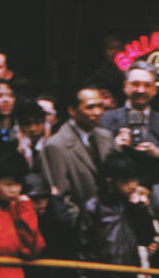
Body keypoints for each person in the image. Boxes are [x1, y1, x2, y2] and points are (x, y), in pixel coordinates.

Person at [77, 152, 156, 278]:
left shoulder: (131, 205)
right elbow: (83, 244)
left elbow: (147, 238)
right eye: (126, 181)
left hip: (129, 274)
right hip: (102, 276)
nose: (132, 185)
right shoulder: (94, 206)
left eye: (134, 180)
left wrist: (140, 209)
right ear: (110, 181)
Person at [100, 61, 159, 186]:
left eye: (147, 85)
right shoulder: (104, 119)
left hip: (155, 192)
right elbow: (91, 156)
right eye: (135, 84)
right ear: (125, 86)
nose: (141, 90)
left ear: (155, 90)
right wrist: (114, 146)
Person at [40, 86, 115, 223]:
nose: (97, 112)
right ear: (72, 111)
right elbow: (62, 196)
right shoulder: (56, 145)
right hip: (83, 225)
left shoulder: (106, 137)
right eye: (90, 107)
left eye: (100, 106)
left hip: (111, 219)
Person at [15, 100, 49, 171]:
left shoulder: (54, 142)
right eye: (27, 124)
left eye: (37, 123)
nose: (32, 129)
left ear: (44, 123)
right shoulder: (16, 146)